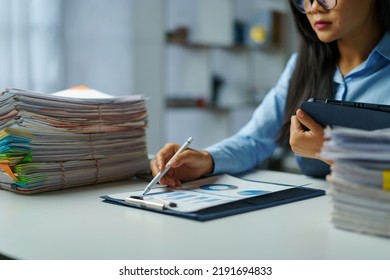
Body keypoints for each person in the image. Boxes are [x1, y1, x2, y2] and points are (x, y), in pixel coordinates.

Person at [152, 0, 390, 186]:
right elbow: (255, 140)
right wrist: (206, 160)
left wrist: (333, 151)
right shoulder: (301, 66)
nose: (314, 7)